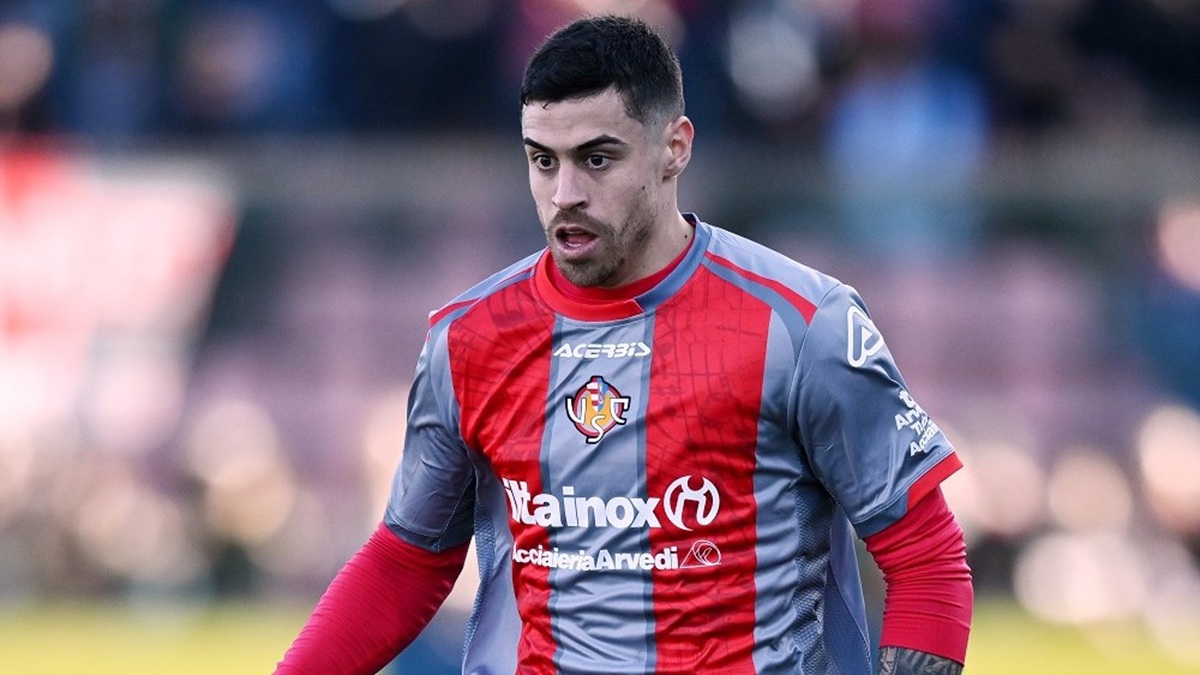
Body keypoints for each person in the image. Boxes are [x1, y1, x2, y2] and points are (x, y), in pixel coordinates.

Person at [274, 14, 972, 675]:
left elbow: (927, 559)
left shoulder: (801, 324)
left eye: (597, 159)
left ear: (675, 148)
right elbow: (408, 559)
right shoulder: (469, 338)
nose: (565, 193)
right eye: (542, 161)